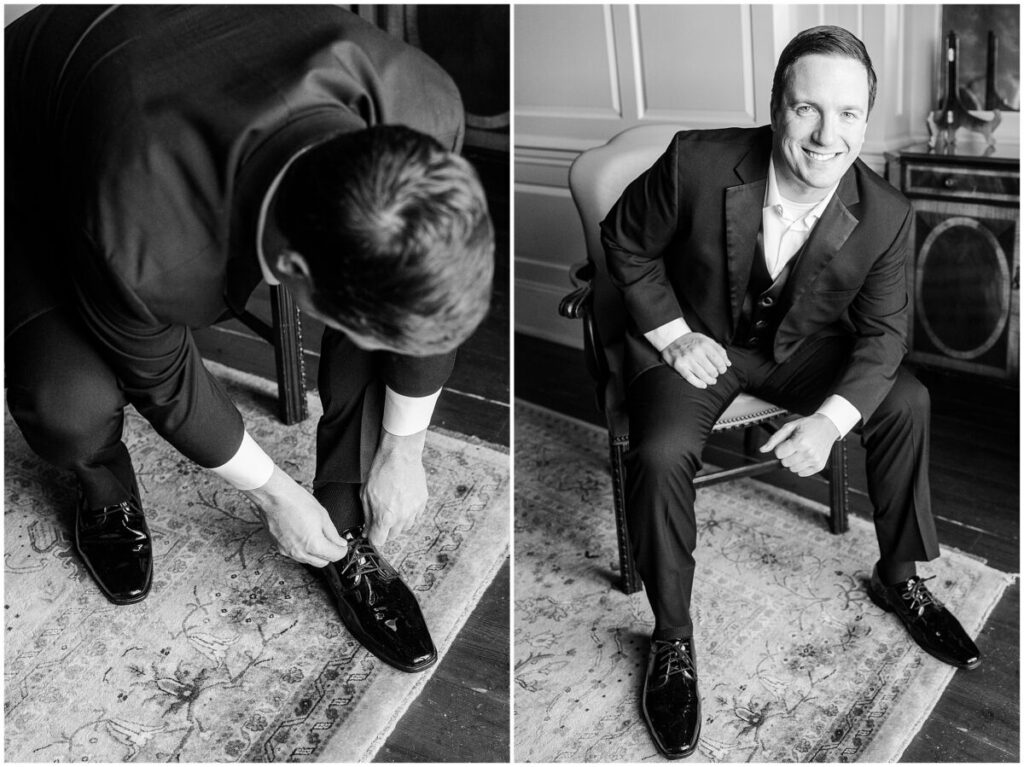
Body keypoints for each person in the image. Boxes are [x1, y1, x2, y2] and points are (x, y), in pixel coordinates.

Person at [5, 6, 494, 674]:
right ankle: (103, 488)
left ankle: (342, 530)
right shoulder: (140, 237)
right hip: (39, 138)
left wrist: (405, 448)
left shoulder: (423, 104)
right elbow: (166, 380)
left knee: (384, 309)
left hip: (207, 44)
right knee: (67, 404)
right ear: (291, 273)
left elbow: (427, 298)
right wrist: (275, 495)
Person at [600, 25, 980, 759]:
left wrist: (832, 421)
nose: (826, 135)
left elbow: (883, 338)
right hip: (699, 344)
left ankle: (898, 578)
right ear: (776, 107)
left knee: (907, 399)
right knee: (659, 447)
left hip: (803, 353)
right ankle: (672, 637)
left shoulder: (887, 213)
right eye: (807, 109)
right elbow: (625, 242)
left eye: (847, 115)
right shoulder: (697, 160)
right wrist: (673, 332)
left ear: (864, 119)